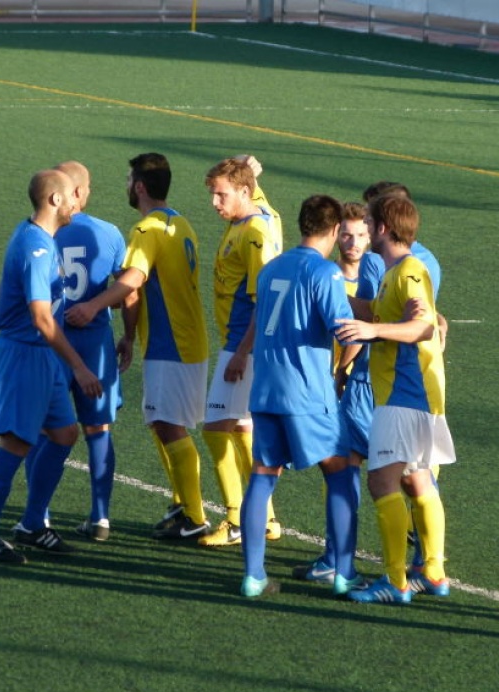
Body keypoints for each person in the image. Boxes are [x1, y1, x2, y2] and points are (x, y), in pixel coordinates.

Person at [64, 152, 212, 542]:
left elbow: (133, 279)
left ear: (140, 187)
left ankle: (195, 515)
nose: (126, 185)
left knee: (169, 426)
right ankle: (182, 504)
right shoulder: (179, 222)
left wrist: (93, 305)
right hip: (185, 338)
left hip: (171, 342)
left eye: (129, 179)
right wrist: (130, 335)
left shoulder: (147, 230)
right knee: (160, 421)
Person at [0, 168, 103, 564]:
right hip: (24, 355)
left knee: (64, 433)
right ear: (55, 200)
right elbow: (42, 320)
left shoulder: (40, 239)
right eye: (71, 196)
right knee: (17, 443)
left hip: (43, 357)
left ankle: (31, 524)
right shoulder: (36, 248)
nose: (78, 201)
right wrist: (79, 367)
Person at [237, 194, 365, 598]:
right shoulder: (325, 273)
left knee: (261, 476)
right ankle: (344, 572)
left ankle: (254, 575)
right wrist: (350, 361)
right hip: (307, 393)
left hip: (265, 390)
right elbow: (344, 329)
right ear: (332, 230)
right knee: (340, 471)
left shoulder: (271, 268)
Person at [334, 192, 455, 604]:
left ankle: (395, 581)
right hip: (412, 392)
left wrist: (372, 332)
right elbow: (387, 314)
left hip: (406, 391)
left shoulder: (408, 270)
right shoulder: (394, 271)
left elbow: (422, 327)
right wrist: (344, 302)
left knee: (382, 479)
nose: (363, 227)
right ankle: (434, 573)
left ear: (382, 228)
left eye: (368, 220)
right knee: (417, 478)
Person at [196, 156, 284, 547]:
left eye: (221, 194)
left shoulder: (255, 233)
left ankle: (236, 518)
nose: (215, 202)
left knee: (215, 430)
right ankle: (264, 517)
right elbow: (253, 187)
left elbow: (264, 300)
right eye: (213, 194)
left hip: (243, 346)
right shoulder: (257, 213)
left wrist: (242, 352)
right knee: (243, 425)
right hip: (241, 345)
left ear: (243, 192)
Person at [291, 201, 381, 586]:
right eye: (347, 233)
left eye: (362, 234)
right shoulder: (328, 274)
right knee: (358, 468)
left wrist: (341, 370)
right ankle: (338, 556)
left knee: (354, 467)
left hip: (359, 386)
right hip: (343, 386)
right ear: (335, 234)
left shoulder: (372, 272)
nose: (354, 241)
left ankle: (338, 558)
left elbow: (362, 326)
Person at [51, 160, 128, 542]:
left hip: (51, 343)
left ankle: (39, 515)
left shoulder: (42, 232)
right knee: (98, 430)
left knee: (47, 430)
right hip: (95, 346)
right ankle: (101, 518)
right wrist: (129, 336)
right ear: (81, 192)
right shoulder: (109, 233)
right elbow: (128, 290)